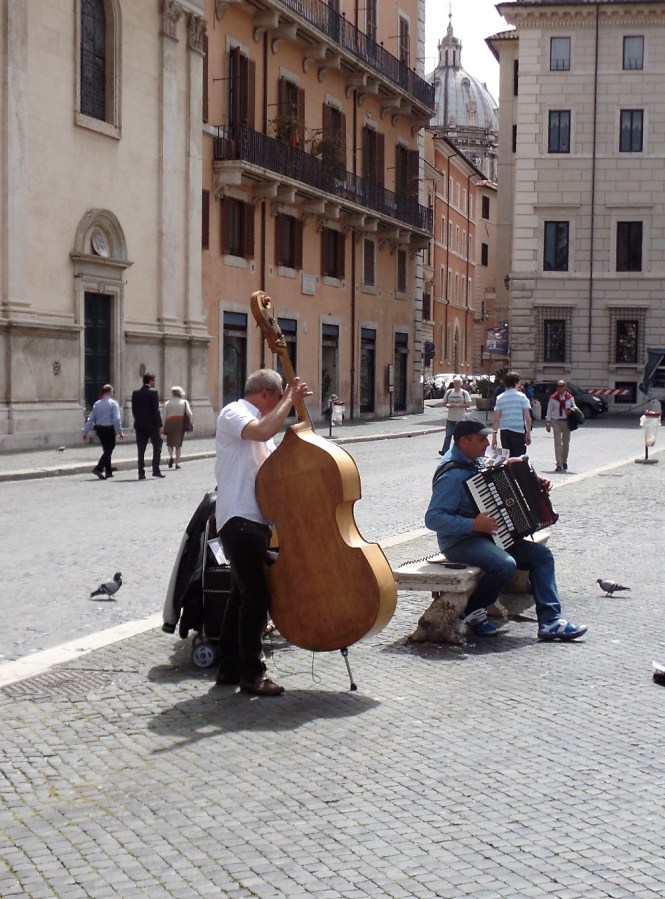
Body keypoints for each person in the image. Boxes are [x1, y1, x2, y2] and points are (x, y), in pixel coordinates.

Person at [425, 419, 588, 642]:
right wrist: (473, 524)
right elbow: (433, 518)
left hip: (488, 536)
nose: (486, 443)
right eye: (481, 439)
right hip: (460, 542)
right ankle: (471, 609)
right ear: (464, 441)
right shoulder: (452, 475)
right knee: (505, 564)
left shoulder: (474, 460)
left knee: (542, 556)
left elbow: (496, 469)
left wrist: (530, 479)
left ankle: (551, 621)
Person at [214, 369, 311, 696]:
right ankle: (252, 675)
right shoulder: (234, 412)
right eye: (279, 394)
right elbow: (260, 430)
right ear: (267, 393)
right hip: (239, 518)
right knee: (256, 596)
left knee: (240, 597)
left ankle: (228, 669)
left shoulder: (264, 430)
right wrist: (290, 400)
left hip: (254, 522)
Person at [82, 384, 124, 479]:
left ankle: (108, 472)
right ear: (109, 392)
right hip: (109, 429)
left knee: (106, 449)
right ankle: (99, 468)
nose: (113, 393)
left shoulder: (97, 404)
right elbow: (116, 419)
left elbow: (91, 418)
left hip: (100, 429)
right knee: (110, 449)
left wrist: (85, 431)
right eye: (112, 391)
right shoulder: (113, 404)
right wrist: (120, 431)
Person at [131, 372, 164, 479]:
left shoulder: (135, 393)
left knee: (141, 450)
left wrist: (138, 420)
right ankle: (156, 470)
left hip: (139, 425)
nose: (155, 382)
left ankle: (141, 473)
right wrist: (159, 425)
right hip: (152, 425)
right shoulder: (153, 393)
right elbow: (156, 410)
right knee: (157, 446)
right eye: (154, 380)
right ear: (150, 381)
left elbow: (134, 410)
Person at [491, 371, 531, 457]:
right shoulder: (522, 397)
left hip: (504, 432)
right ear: (516, 382)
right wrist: (528, 434)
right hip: (518, 431)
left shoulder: (500, 398)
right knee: (519, 459)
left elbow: (496, 419)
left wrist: (494, 437)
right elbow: (527, 418)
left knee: (507, 458)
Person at [545, 380, 575, 472]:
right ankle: (558, 463)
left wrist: (571, 410)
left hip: (566, 422)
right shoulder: (553, 398)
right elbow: (549, 410)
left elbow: (575, 408)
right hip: (556, 421)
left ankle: (564, 461)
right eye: (558, 386)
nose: (560, 388)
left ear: (565, 387)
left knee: (566, 443)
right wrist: (548, 422)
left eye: (562, 386)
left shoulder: (570, 398)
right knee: (557, 443)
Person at [439, 376, 472, 456]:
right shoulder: (449, 392)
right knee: (448, 436)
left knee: (459, 437)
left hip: (460, 419)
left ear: (461, 383)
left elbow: (468, 405)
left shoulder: (464, 393)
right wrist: (448, 405)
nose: (456, 384)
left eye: (458, 382)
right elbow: (444, 403)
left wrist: (457, 405)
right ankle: (445, 451)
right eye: (455, 382)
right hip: (450, 418)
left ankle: (459, 451)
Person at [163, 386, 192, 470]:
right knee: (178, 445)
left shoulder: (168, 403)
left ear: (173, 393)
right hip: (180, 424)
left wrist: (162, 425)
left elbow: (164, 416)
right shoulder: (184, 402)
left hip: (170, 423)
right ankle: (177, 463)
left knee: (169, 443)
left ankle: (171, 456)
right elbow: (190, 414)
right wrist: (189, 421)